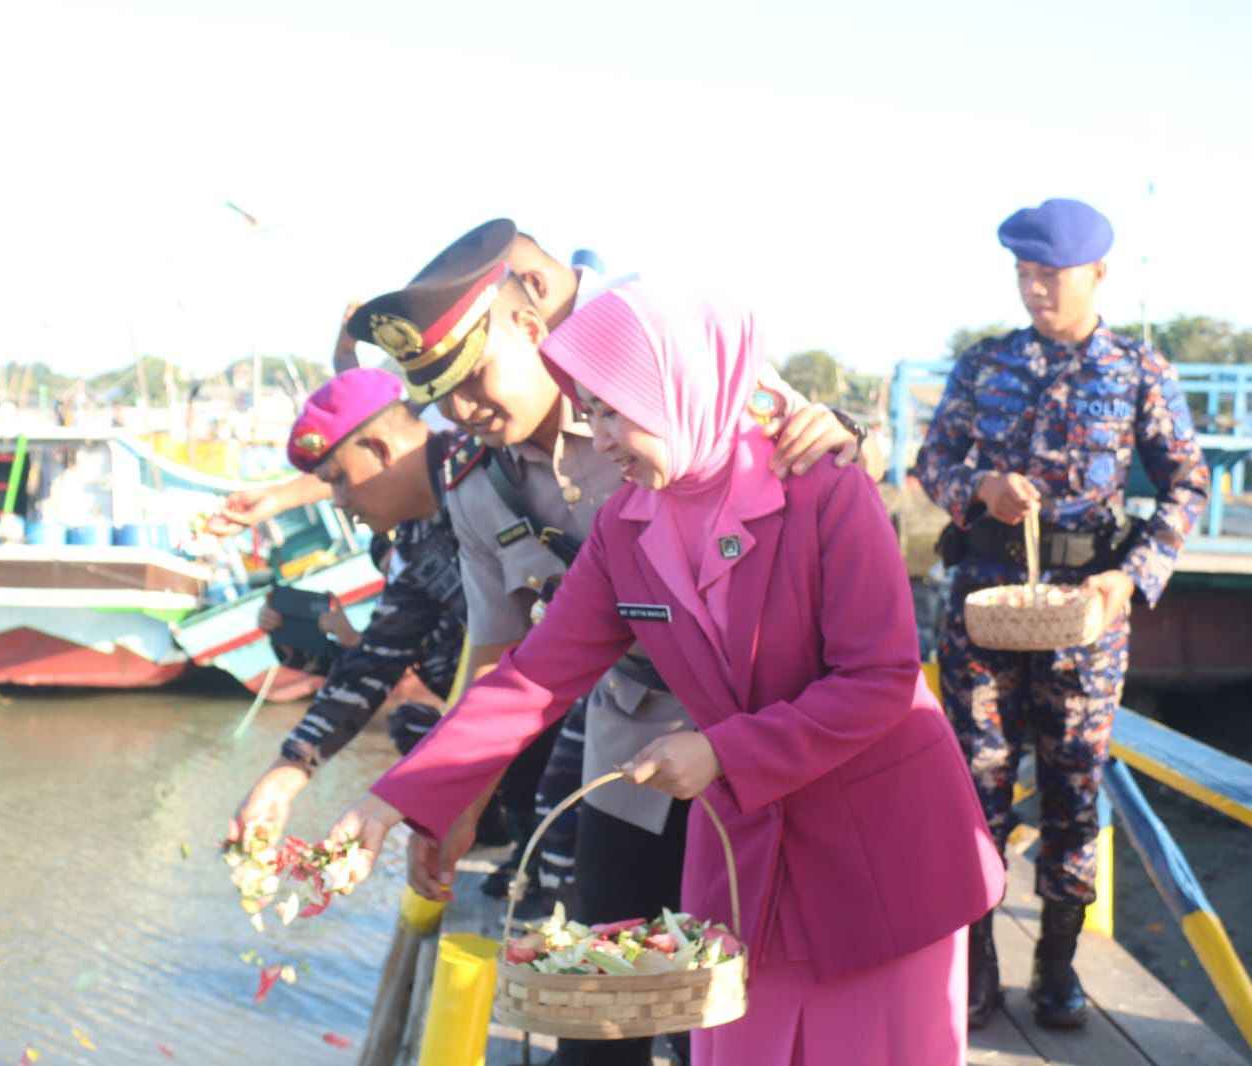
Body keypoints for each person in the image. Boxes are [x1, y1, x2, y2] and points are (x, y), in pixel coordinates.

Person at [327, 283, 1004, 1066]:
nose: (599, 437)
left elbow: (880, 679)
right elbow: (532, 680)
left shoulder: (822, 489)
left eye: (615, 410)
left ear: (677, 387)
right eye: (591, 411)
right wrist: (396, 797)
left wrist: (723, 752)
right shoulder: (626, 525)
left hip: (879, 849)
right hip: (752, 862)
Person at [917, 197, 1209, 1030]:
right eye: (1023, 273)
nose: (1035, 289)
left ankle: (1057, 963)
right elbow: (931, 456)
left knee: (1074, 789)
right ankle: (973, 961)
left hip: (1086, 612)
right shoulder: (983, 364)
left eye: (1050, 275)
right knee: (972, 789)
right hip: (985, 603)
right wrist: (976, 487)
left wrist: (1132, 576)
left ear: (1097, 275)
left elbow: (1184, 481)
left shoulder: (1139, 371)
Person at [226, 368, 558, 857]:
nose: (339, 501)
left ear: (381, 451)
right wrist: (285, 773)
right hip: (516, 717)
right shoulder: (417, 540)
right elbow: (374, 661)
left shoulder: (491, 472)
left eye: (340, 480)